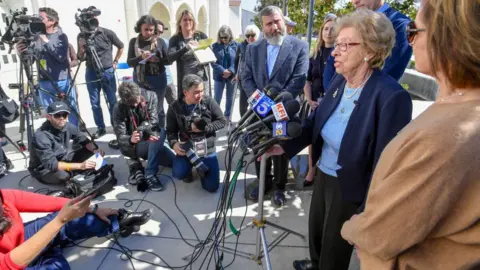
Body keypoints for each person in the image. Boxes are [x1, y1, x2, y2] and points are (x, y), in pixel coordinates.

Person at [265, 9, 413, 270]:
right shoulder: (339, 82)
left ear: (369, 50)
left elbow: (385, 167)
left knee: (334, 253)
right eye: (337, 44)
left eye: (345, 44)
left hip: (350, 188)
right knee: (317, 236)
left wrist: (368, 215)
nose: (334, 51)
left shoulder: (391, 97)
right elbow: (313, 124)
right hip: (323, 173)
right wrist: (283, 145)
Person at [341, 1, 480, 269]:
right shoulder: (460, 110)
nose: (409, 40)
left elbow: (382, 233)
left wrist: (353, 229)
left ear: (448, 37)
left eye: (414, 31)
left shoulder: (448, 133)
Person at [241, 5, 309, 206]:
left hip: (284, 111)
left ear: (283, 21)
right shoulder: (253, 49)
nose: (274, 27)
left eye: (276, 21)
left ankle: (280, 187)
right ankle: (263, 183)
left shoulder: (299, 46)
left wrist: (277, 104)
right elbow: (246, 78)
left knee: (280, 147)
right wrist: (260, 103)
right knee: (260, 146)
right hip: (259, 111)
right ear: (262, 27)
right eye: (268, 24)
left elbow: (298, 79)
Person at [0, 189, 152, 269]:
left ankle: (120, 222)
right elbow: (8, 264)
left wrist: (93, 208)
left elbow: (47, 202)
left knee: (80, 218)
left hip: (20, 239)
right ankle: (50, 249)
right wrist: (59, 221)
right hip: (10, 262)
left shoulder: (3, 196)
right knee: (58, 267)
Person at [323, 0, 412, 89]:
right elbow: (331, 62)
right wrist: (331, 96)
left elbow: (389, 72)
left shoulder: (401, 25)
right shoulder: (351, 22)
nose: (355, 2)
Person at [16, 7, 80, 126]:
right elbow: (30, 62)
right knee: (50, 112)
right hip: (44, 81)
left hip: (61, 80)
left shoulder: (61, 36)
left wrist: (46, 41)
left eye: (41, 18)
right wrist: (21, 53)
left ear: (52, 21)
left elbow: (60, 57)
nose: (38, 20)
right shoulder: (35, 37)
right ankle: (56, 135)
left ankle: (75, 134)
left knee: (69, 109)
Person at [166, 74, 227, 193]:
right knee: (178, 173)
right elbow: (170, 131)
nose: (200, 95)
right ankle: (189, 169)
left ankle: (201, 168)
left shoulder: (208, 101)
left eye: (202, 91)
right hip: (187, 150)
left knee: (212, 187)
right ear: (185, 92)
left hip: (207, 149)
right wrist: (173, 144)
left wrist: (206, 128)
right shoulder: (174, 107)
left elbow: (222, 121)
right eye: (196, 92)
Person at [112, 81, 175, 192]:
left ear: (139, 93)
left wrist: (143, 133)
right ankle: (150, 174)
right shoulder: (118, 108)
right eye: (131, 104)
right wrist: (130, 139)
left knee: (175, 162)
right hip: (133, 146)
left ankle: (150, 156)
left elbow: (154, 120)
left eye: (136, 101)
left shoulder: (151, 96)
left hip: (149, 138)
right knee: (160, 134)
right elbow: (120, 136)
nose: (135, 105)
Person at [77, 6, 124, 147]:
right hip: (91, 71)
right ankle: (101, 127)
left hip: (107, 70)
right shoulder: (81, 36)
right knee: (94, 103)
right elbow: (80, 57)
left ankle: (117, 127)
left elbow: (121, 46)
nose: (93, 21)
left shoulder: (107, 33)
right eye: (90, 18)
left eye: (94, 18)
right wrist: (81, 47)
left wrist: (115, 62)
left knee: (112, 101)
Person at [28, 101, 104, 186]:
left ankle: (78, 171)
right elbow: (52, 165)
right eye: (57, 115)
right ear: (48, 117)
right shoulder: (41, 136)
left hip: (62, 158)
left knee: (92, 152)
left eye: (64, 115)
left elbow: (83, 139)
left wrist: (95, 150)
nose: (62, 118)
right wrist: (81, 166)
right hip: (44, 169)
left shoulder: (67, 125)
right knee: (63, 175)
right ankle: (76, 174)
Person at [303, 14, 336, 187]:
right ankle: (311, 169)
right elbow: (307, 81)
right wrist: (309, 99)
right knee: (313, 138)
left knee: (329, 138)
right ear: (321, 32)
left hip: (334, 106)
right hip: (315, 104)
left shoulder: (340, 54)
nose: (329, 32)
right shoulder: (314, 55)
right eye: (326, 28)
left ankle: (326, 170)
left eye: (333, 29)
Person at [127, 15, 170, 128]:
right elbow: (130, 62)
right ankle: (147, 132)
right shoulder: (133, 42)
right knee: (143, 108)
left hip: (158, 80)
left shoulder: (160, 41)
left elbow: (168, 60)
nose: (149, 32)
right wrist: (141, 57)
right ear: (140, 28)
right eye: (146, 29)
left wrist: (158, 59)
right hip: (141, 81)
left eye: (151, 30)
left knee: (159, 109)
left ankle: (161, 133)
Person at [167, 10, 209, 99]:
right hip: (186, 80)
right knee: (187, 103)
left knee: (203, 103)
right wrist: (186, 47)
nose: (188, 22)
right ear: (180, 23)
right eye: (185, 20)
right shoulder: (175, 39)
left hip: (202, 78)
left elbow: (210, 54)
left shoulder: (201, 36)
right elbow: (170, 58)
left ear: (193, 22)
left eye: (190, 20)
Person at [211, 25, 238, 121]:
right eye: (221, 37)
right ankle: (216, 116)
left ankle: (227, 115)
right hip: (219, 75)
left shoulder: (236, 45)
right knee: (217, 97)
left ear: (230, 35)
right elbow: (212, 61)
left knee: (230, 97)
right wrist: (223, 70)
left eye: (225, 37)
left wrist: (230, 70)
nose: (223, 39)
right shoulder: (214, 46)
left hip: (231, 76)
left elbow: (237, 61)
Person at [234, 24, 260, 117]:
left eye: (252, 35)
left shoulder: (260, 46)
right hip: (244, 79)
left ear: (257, 35)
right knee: (243, 104)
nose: (250, 38)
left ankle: (254, 122)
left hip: (256, 79)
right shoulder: (241, 46)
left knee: (255, 102)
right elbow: (236, 61)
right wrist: (236, 74)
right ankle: (243, 121)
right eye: (248, 36)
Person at [156, 20, 177, 105]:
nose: (158, 34)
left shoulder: (164, 41)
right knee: (158, 107)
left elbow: (170, 59)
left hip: (168, 79)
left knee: (174, 104)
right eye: (157, 31)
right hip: (155, 82)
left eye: (161, 32)